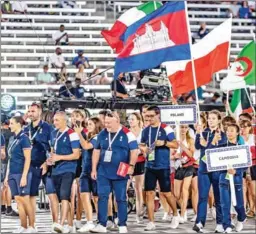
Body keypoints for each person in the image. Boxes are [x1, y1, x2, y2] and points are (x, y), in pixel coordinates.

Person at [90, 111, 138, 233]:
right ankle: (102, 224)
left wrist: (131, 165)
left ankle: (122, 224)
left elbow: (134, 151)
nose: (107, 125)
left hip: (121, 171)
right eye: (105, 122)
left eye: (109, 122)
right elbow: (96, 151)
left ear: (117, 120)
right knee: (103, 197)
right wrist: (94, 168)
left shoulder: (128, 134)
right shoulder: (102, 134)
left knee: (121, 198)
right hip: (103, 172)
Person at [139, 106, 179, 231]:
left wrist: (164, 143)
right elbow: (142, 144)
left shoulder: (166, 128)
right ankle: (151, 222)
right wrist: (143, 148)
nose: (149, 118)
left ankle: (176, 214)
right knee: (149, 193)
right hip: (149, 165)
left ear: (158, 115)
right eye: (147, 116)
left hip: (163, 166)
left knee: (166, 193)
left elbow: (176, 144)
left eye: (151, 116)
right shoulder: (146, 130)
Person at [193, 110, 227, 233]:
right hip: (203, 169)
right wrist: (197, 134)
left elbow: (212, 150)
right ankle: (199, 222)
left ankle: (219, 223)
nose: (210, 120)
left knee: (218, 197)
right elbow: (197, 146)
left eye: (213, 118)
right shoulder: (203, 132)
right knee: (202, 197)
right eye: (209, 118)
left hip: (218, 170)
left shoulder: (223, 135)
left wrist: (209, 143)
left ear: (219, 120)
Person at [23, 103, 54, 231]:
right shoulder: (25, 129)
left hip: (46, 165)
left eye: (33, 111)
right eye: (29, 111)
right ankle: (31, 225)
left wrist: (47, 163)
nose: (31, 113)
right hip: (30, 166)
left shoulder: (48, 128)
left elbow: (53, 148)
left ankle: (56, 224)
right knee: (31, 196)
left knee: (52, 196)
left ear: (40, 112)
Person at [50, 111, 80, 233]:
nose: (54, 122)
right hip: (56, 170)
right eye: (54, 120)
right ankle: (69, 224)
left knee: (64, 196)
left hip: (68, 169)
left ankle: (61, 224)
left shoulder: (72, 134)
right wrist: (51, 159)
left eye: (57, 120)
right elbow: (53, 151)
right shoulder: (54, 133)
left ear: (64, 121)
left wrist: (59, 157)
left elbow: (76, 154)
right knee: (61, 198)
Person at [4, 116, 35, 233]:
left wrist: (24, 176)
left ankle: (32, 226)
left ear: (19, 124)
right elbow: (10, 159)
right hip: (12, 173)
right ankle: (23, 225)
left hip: (22, 173)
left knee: (25, 200)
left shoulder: (24, 139)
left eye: (12, 123)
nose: (9, 125)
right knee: (17, 200)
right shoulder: (12, 139)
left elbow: (28, 159)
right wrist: (7, 176)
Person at [74, 117, 103, 232]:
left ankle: (101, 221)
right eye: (87, 124)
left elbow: (86, 146)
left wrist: (79, 134)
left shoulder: (98, 138)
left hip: (95, 171)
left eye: (90, 124)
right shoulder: (88, 136)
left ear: (96, 125)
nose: (88, 126)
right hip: (85, 170)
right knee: (84, 195)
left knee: (96, 198)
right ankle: (89, 221)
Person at [217, 124, 247, 233]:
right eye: (227, 130)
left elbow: (245, 164)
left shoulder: (241, 148)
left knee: (239, 205)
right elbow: (215, 162)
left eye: (232, 130)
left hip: (237, 180)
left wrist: (236, 171)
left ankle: (241, 218)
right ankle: (227, 225)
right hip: (223, 179)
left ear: (237, 132)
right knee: (224, 204)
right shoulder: (221, 147)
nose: (229, 133)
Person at [173, 125, 195, 223]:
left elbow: (191, 155)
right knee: (177, 194)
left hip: (189, 166)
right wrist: (174, 156)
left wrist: (183, 146)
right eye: (181, 127)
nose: (183, 129)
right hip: (178, 168)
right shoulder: (174, 140)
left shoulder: (190, 140)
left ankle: (182, 214)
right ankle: (184, 209)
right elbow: (170, 155)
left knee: (185, 190)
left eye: (185, 127)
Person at [70, 109, 87, 230]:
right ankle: (70, 219)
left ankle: (79, 218)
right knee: (70, 193)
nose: (75, 118)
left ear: (83, 118)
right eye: (73, 116)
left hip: (82, 164)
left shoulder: (86, 131)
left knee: (80, 194)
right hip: (70, 163)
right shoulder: (67, 131)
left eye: (78, 116)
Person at [128, 112, 145, 224]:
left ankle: (139, 213)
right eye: (129, 119)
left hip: (141, 161)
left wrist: (140, 148)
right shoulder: (127, 132)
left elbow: (146, 146)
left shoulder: (143, 131)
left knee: (139, 188)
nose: (130, 121)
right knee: (125, 187)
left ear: (138, 120)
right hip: (128, 162)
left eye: (133, 119)